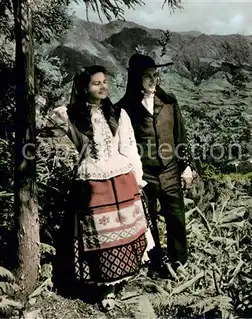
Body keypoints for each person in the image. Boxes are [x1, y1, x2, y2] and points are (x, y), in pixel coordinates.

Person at [39, 65, 154, 311]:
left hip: (121, 178)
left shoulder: (117, 115)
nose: (103, 87)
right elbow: (44, 132)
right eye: (96, 83)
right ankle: (102, 284)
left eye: (105, 82)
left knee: (123, 230)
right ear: (84, 87)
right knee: (100, 235)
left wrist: (138, 177)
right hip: (91, 179)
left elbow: (129, 148)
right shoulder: (71, 115)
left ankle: (115, 285)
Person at [115, 54, 197, 276]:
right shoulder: (124, 109)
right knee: (148, 220)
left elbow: (181, 135)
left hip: (170, 170)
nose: (153, 81)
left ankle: (179, 263)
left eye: (155, 75)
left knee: (176, 218)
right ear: (135, 79)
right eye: (147, 76)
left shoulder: (169, 102)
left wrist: (186, 166)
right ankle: (155, 263)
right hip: (145, 173)